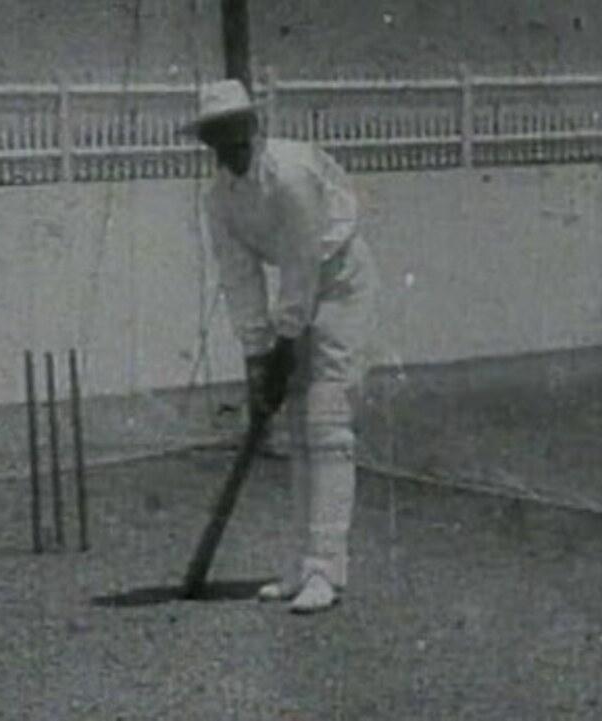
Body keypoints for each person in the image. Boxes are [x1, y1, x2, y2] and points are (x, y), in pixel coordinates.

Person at [185, 80, 379, 613]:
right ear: (208, 141)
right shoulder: (219, 200)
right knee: (295, 430)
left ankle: (326, 571)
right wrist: (256, 357)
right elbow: (240, 279)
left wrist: (284, 344)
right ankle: (300, 565)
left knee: (327, 421)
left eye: (236, 131)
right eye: (216, 136)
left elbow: (300, 262)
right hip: (302, 286)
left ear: (253, 126)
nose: (229, 145)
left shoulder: (291, 176)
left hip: (340, 281)